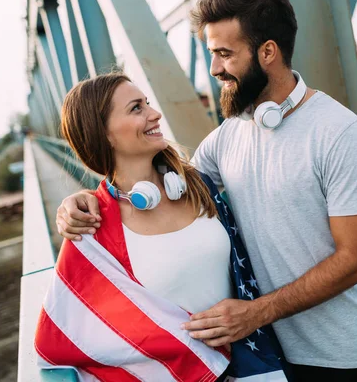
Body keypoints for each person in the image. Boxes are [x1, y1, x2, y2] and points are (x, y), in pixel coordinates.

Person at [56, 0, 357, 380]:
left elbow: (355, 259)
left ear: (267, 52)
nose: (213, 69)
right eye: (211, 54)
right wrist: (81, 200)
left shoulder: (338, 132)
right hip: (271, 359)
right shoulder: (228, 137)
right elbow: (163, 183)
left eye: (225, 54)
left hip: (347, 356)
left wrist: (256, 312)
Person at [35, 73, 288, 381]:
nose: (154, 114)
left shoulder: (198, 184)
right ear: (104, 134)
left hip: (250, 365)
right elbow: (63, 337)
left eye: (148, 103)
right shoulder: (93, 227)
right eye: (136, 108)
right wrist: (78, 201)